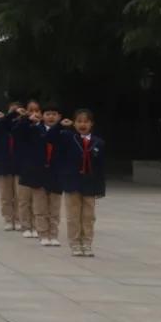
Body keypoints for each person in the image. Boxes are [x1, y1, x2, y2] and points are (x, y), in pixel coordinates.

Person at [56, 110, 105, 257]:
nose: (82, 124)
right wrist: (60, 126)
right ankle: (75, 243)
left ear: (91, 124)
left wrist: (100, 188)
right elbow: (51, 139)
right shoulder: (68, 138)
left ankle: (87, 243)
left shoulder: (98, 142)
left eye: (86, 121)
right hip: (72, 182)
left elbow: (101, 167)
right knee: (73, 215)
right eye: (79, 121)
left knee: (89, 216)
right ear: (74, 123)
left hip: (90, 183)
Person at [15, 103, 63, 246]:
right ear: (43, 116)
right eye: (48, 114)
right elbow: (18, 133)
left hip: (56, 174)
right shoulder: (34, 129)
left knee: (54, 208)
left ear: (59, 117)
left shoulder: (65, 132)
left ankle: (53, 235)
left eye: (54, 114)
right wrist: (26, 119)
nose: (51, 117)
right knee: (40, 206)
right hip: (38, 173)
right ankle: (42, 234)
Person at [12, 99, 44, 238]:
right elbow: (16, 132)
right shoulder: (22, 125)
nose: (34, 113)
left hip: (40, 168)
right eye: (31, 110)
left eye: (37, 111)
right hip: (24, 167)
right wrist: (26, 119)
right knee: (24, 199)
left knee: (37, 200)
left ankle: (37, 225)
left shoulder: (44, 128)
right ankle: (26, 225)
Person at [0, 103, 22, 231]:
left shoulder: (23, 125)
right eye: (12, 111)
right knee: (6, 195)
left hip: (19, 165)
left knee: (19, 195)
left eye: (17, 111)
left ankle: (19, 219)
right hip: (4, 165)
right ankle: (8, 219)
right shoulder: (2, 126)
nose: (15, 114)